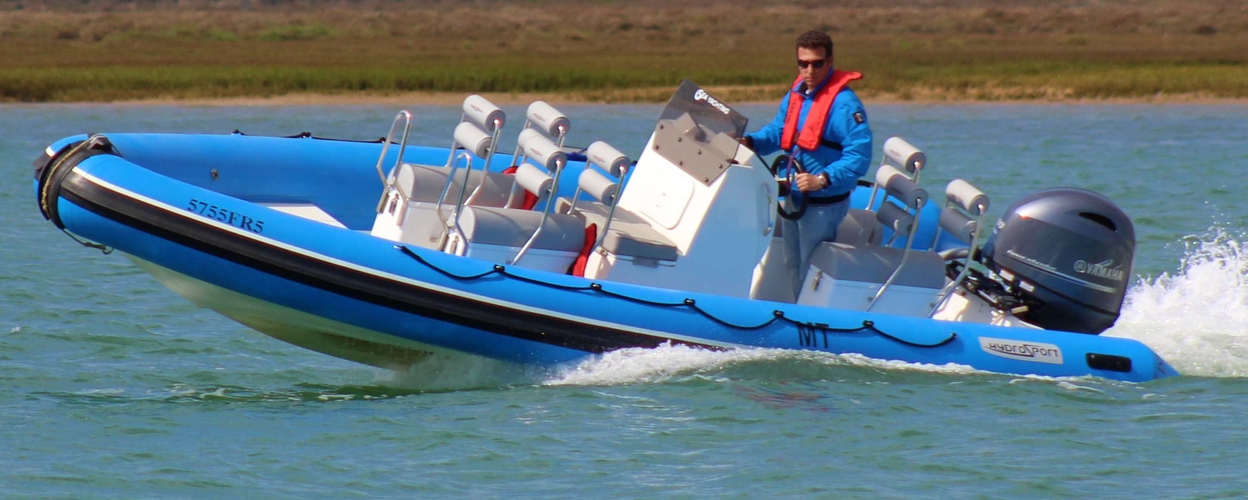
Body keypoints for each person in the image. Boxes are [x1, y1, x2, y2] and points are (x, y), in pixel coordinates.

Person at [740, 30, 873, 300]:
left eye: (817, 63)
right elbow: (779, 131)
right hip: (793, 195)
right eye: (803, 64)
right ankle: (797, 312)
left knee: (812, 270)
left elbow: (859, 155)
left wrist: (822, 179)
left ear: (830, 61)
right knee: (793, 264)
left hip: (822, 202)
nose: (809, 70)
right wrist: (752, 142)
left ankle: (811, 319)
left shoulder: (844, 105)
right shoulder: (798, 94)